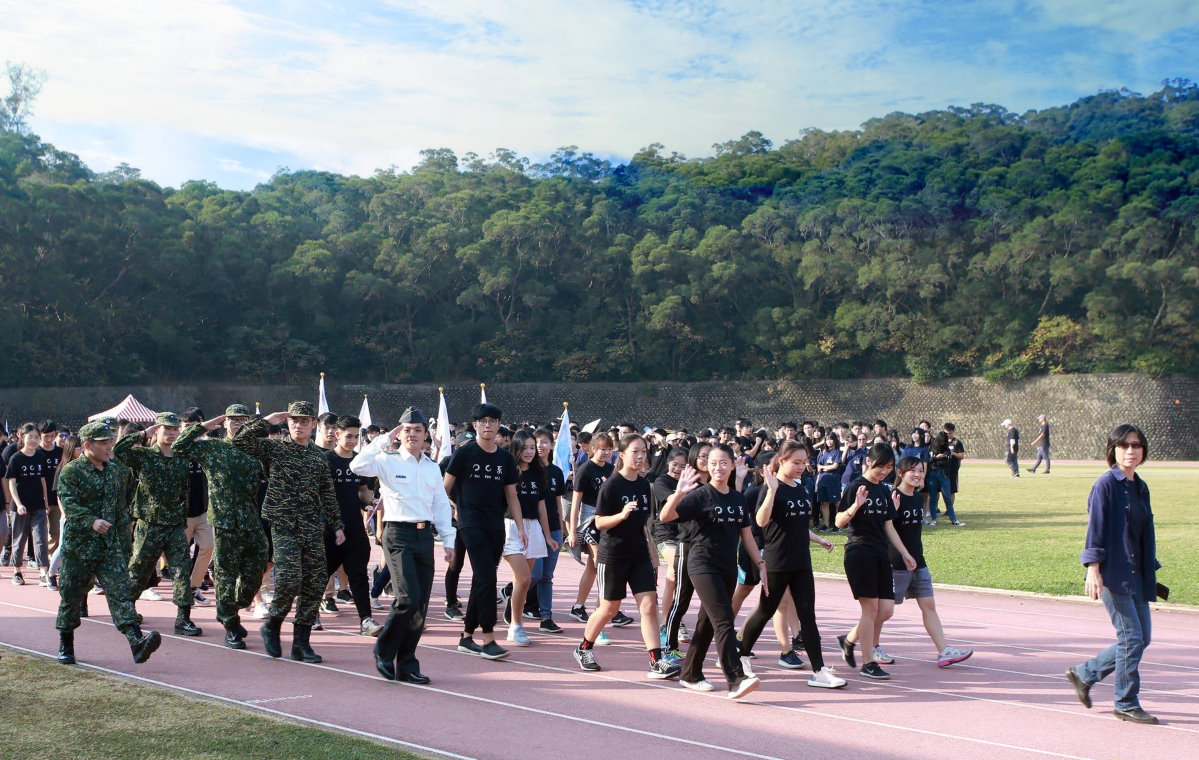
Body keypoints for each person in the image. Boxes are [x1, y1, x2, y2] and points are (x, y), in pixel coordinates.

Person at [232, 401, 346, 663]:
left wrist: (337, 524)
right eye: (294, 420)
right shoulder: (275, 448)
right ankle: (273, 624)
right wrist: (266, 420)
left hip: (311, 525)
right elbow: (240, 441)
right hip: (283, 524)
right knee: (289, 579)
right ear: (287, 422)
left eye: (304, 420)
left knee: (316, 582)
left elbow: (327, 492)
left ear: (313, 424)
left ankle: (301, 643)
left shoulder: (318, 457)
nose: (298, 425)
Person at [351, 407, 456, 684]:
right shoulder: (387, 459)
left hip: (424, 536)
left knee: (419, 606)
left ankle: (407, 663)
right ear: (399, 434)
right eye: (406, 430)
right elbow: (357, 466)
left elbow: (440, 505)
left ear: (426, 435)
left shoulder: (432, 467)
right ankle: (383, 650)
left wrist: (448, 539)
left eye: (417, 430)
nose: (412, 435)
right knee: (407, 598)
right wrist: (383, 440)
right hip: (397, 534)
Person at [1066, 424, 1161, 725]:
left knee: (1141, 638)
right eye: (1124, 446)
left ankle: (1085, 673)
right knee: (1131, 637)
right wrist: (1093, 570)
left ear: (1143, 450)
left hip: (1136, 573)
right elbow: (1095, 530)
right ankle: (1125, 702)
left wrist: (1150, 572)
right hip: (1113, 573)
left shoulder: (1140, 486)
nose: (1130, 451)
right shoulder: (1105, 484)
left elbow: (1140, 534)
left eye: (1136, 445)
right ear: (1113, 450)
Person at [659, 443, 765, 700]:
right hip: (702, 564)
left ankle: (690, 673)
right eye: (713, 463)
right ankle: (735, 677)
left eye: (723, 463)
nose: (718, 467)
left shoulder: (738, 498)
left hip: (727, 566)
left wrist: (761, 565)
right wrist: (679, 493)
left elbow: (747, 535)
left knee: (707, 623)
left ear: (732, 465)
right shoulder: (700, 495)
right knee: (723, 620)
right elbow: (665, 516)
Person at [737, 440, 845, 688]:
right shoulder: (770, 488)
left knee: (808, 616)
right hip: (777, 562)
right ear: (782, 460)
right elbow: (762, 522)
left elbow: (799, 525)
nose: (801, 466)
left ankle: (818, 671)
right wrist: (772, 490)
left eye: (804, 461)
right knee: (765, 611)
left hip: (801, 563)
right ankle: (740, 656)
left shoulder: (802, 487)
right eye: (796, 462)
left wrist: (818, 540)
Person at [572, 434, 681, 680]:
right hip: (613, 555)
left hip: (639, 554)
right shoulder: (612, 485)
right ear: (622, 455)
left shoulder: (644, 485)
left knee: (649, 606)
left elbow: (645, 525)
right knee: (610, 609)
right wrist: (620, 516)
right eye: (635, 452)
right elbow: (599, 522)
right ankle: (584, 648)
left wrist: (652, 552)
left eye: (644, 451)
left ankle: (656, 661)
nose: (641, 456)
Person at [55, 421, 161, 666]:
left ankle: (136, 641)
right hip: (80, 546)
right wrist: (90, 520)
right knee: (71, 595)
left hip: (109, 545)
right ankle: (66, 643)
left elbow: (126, 498)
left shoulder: (116, 469)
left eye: (111, 441)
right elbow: (68, 504)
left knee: (120, 591)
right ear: (87, 446)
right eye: (104, 443)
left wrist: (126, 526)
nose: (109, 446)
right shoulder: (72, 472)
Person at [858, 456, 973, 669]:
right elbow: (886, 529)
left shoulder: (919, 498)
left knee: (929, 605)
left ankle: (944, 651)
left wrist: (914, 556)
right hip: (896, 563)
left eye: (921, 470)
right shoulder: (893, 496)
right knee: (884, 612)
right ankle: (863, 643)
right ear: (901, 473)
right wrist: (902, 552)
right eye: (913, 471)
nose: (918, 474)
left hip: (918, 561)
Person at [171, 405, 270, 650]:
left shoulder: (256, 451)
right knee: (226, 575)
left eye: (242, 420)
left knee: (258, 565)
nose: (236, 423)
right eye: (232, 420)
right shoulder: (212, 448)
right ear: (224, 422)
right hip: (224, 521)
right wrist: (204, 426)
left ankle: (229, 608)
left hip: (250, 519)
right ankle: (230, 624)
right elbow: (179, 446)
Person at [443, 402, 523, 661]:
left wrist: (520, 527)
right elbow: (445, 488)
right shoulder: (464, 454)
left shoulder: (505, 459)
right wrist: (451, 512)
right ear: (475, 424)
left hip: (496, 524)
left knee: (482, 579)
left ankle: (467, 637)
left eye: (493, 421)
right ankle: (488, 638)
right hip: (470, 523)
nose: (488, 425)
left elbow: (512, 496)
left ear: (499, 425)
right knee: (487, 578)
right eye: (483, 421)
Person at [833, 443, 917, 680]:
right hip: (860, 553)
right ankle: (868, 662)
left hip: (881, 554)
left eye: (889, 467)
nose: (884, 471)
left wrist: (904, 552)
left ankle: (848, 640)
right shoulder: (855, 487)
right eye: (881, 465)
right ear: (868, 461)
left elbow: (888, 525)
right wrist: (855, 506)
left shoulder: (883, 490)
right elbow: (838, 522)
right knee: (870, 609)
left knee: (886, 610)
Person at [116, 412, 203, 637]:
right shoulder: (144, 456)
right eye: (167, 429)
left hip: (174, 524)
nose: (172, 433)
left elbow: (185, 490)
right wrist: (142, 433)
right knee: (139, 570)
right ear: (158, 430)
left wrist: (183, 518)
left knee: (182, 570)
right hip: (150, 524)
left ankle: (183, 619)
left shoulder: (182, 457)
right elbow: (119, 451)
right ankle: (127, 612)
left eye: (175, 429)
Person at [323, 415, 383, 637]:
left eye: (356, 436)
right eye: (348, 436)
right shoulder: (325, 461)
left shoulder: (359, 462)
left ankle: (366, 620)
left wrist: (371, 500)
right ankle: (310, 613)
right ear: (337, 434)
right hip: (327, 529)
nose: (352, 441)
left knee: (358, 575)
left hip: (355, 528)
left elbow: (362, 491)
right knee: (320, 574)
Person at [502, 429, 556, 646]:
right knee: (523, 578)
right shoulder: (510, 471)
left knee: (525, 582)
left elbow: (541, 506)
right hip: (512, 527)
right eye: (524, 447)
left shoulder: (539, 472)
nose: (530, 451)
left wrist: (547, 535)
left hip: (533, 528)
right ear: (516, 448)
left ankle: (516, 623)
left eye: (532, 447)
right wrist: (520, 527)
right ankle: (515, 625)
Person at [6, 423, 50, 586]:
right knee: (19, 539)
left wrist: (45, 501)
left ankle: (43, 572)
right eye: (29, 436)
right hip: (20, 507)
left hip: (38, 505)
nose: (33, 440)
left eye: (36, 437)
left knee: (40, 539)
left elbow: (43, 480)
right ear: (22, 437)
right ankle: (17, 571)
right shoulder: (16, 458)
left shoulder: (41, 457)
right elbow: (11, 483)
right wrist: (18, 504)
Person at [180, 409, 215, 606]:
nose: (191, 431)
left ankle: (193, 587)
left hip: (203, 509)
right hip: (182, 512)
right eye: (187, 427)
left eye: (195, 427)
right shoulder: (176, 447)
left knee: (208, 546)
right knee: (181, 553)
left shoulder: (206, 447)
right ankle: (182, 589)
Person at [927, 432, 963, 527]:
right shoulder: (932, 448)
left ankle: (953, 519)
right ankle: (934, 519)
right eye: (941, 442)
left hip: (943, 474)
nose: (943, 443)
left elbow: (947, 462)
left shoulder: (947, 449)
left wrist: (937, 460)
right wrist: (936, 458)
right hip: (932, 474)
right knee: (933, 498)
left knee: (947, 498)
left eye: (944, 441)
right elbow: (928, 461)